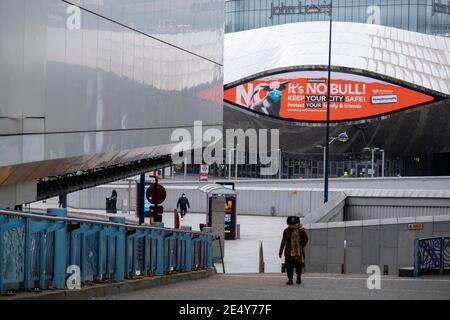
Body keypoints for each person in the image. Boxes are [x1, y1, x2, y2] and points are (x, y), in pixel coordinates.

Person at [279, 216, 309, 285]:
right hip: (289, 252)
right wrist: (280, 252)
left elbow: (306, 239)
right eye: (291, 224)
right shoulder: (286, 231)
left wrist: (301, 246)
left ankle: (298, 277)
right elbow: (283, 241)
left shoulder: (301, 230)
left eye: (294, 224)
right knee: (289, 266)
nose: (292, 226)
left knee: (299, 265)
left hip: (299, 252)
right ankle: (290, 279)